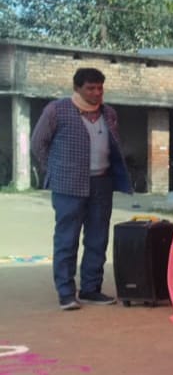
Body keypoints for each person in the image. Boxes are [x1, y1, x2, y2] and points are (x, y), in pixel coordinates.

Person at [30, 67, 132, 310]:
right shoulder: (57, 110)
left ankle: (91, 289)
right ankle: (66, 293)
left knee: (98, 238)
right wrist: (55, 170)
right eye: (90, 88)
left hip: (102, 183)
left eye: (100, 88)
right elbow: (38, 144)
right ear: (77, 88)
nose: (96, 93)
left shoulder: (109, 113)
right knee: (67, 238)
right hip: (68, 186)